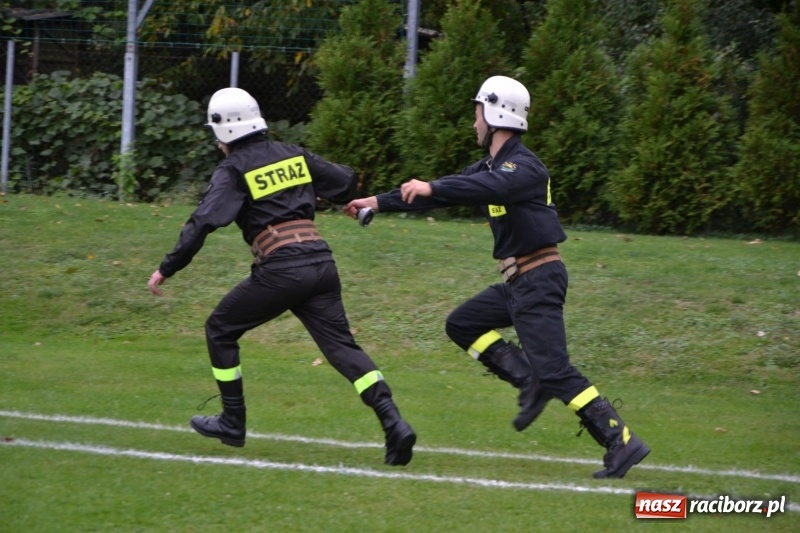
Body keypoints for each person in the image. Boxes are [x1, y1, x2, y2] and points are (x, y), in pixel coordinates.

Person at [344, 75, 649, 478]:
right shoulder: (490, 166)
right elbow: (454, 190)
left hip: (539, 277)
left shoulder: (524, 168)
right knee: (463, 324)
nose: (474, 124)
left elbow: (482, 185)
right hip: (519, 282)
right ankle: (528, 379)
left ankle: (619, 439)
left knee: (556, 370)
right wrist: (376, 203)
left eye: (476, 114)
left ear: (494, 113)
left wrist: (432, 185)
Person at [147, 87, 416, 466]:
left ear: (223, 131)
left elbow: (204, 220)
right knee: (342, 349)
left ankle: (232, 422)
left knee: (220, 329)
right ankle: (394, 423)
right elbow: (344, 181)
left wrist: (167, 267)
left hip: (281, 267)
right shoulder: (294, 154)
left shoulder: (234, 168)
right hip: (321, 264)